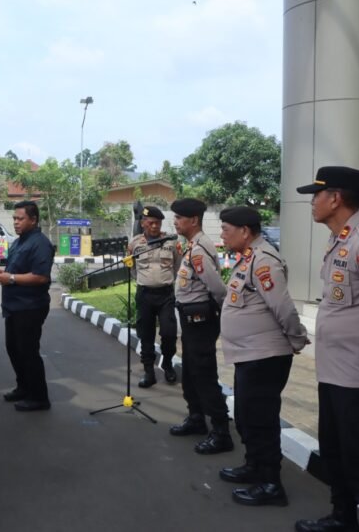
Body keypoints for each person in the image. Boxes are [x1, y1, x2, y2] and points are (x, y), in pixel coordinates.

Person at [295, 166, 359, 532]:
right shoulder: (340, 240)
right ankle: (343, 518)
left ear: (335, 198)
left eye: (316, 195)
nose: (312, 202)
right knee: (336, 453)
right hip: (335, 374)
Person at [218, 206, 308, 507]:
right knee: (247, 416)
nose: (222, 235)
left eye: (226, 229)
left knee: (260, 420)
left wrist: (297, 338)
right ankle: (254, 466)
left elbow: (283, 307)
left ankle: (271, 484)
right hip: (250, 355)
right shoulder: (249, 257)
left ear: (245, 231)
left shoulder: (265, 260)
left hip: (265, 356)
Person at [169, 198, 233, 454]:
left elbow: (217, 289)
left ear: (193, 220)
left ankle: (221, 431)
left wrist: (222, 314)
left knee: (204, 374)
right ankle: (196, 418)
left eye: (179, 218)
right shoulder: (193, 245)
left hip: (201, 320)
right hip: (191, 319)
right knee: (191, 372)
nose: (175, 222)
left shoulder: (198, 250)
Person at [0, 200, 55, 411]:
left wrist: (10, 278)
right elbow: (16, 268)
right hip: (14, 306)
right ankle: (24, 387)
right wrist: (4, 273)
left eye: (20, 219)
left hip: (30, 307)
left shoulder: (40, 244)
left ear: (33, 220)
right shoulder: (19, 242)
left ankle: (39, 397)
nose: (16, 222)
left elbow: (41, 277)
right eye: (14, 218)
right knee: (14, 349)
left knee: (28, 352)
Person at [127, 205, 182, 387]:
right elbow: (132, 269)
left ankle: (167, 364)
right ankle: (149, 372)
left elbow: (178, 266)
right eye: (151, 223)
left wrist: (165, 280)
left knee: (169, 333)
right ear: (143, 223)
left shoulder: (171, 242)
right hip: (145, 295)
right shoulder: (135, 244)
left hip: (166, 294)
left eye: (157, 223)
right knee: (146, 335)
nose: (154, 226)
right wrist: (146, 280)